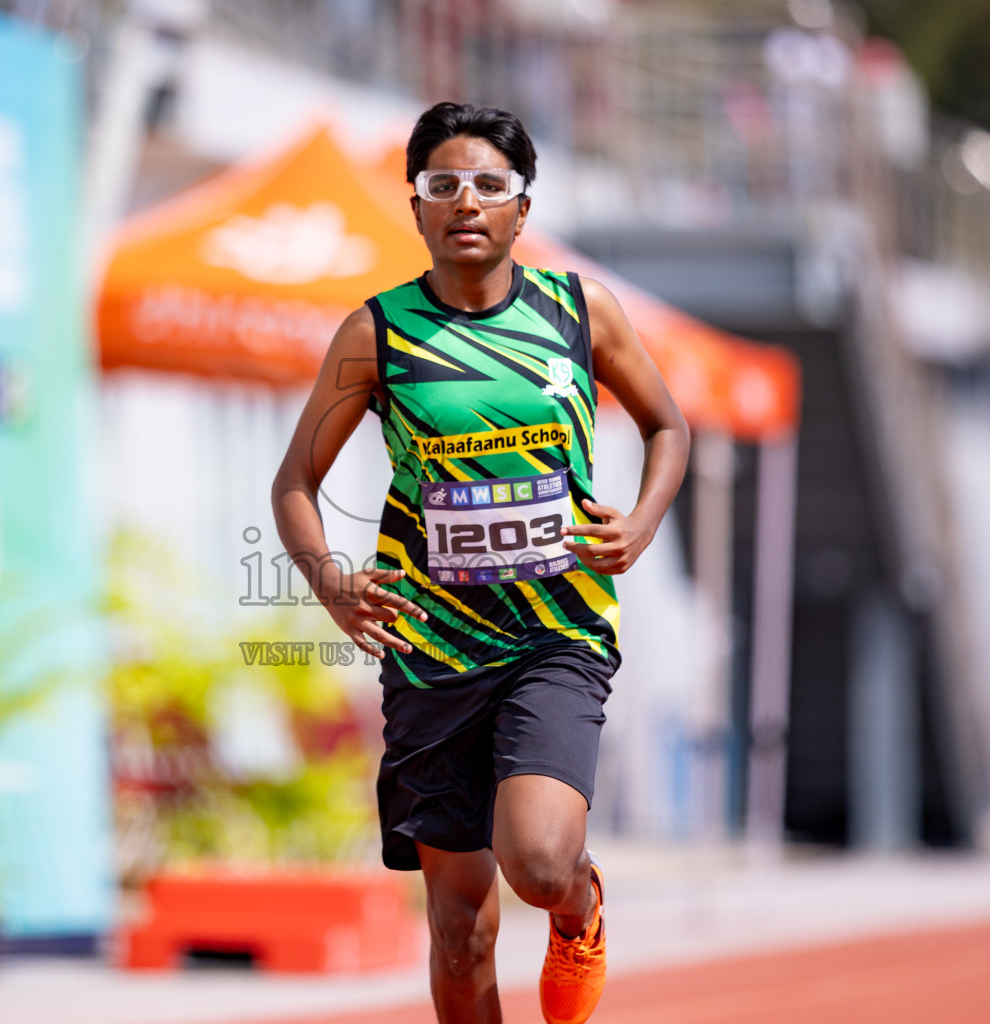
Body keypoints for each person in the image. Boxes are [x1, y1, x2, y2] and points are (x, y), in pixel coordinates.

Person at [271, 102, 689, 1024]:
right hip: (431, 650)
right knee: (461, 933)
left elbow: (667, 424)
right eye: (443, 185)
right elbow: (296, 481)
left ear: (521, 207)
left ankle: (581, 906)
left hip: (556, 633)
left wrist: (644, 521)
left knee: (538, 863)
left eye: (490, 186)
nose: (467, 203)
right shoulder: (376, 334)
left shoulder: (580, 312)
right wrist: (329, 580)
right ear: (415, 206)